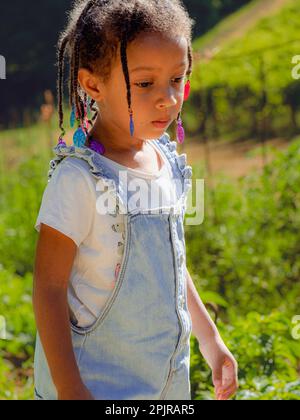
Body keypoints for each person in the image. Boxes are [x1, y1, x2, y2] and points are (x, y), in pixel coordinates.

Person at [33, 0, 238, 400]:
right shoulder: (79, 179)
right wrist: (70, 388)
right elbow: (49, 287)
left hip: (165, 381)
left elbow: (172, 264)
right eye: (145, 84)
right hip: (97, 385)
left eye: (176, 79)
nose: (167, 98)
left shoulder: (166, 162)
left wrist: (210, 341)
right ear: (93, 85)